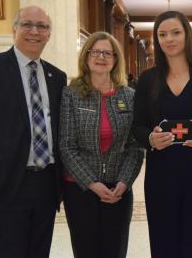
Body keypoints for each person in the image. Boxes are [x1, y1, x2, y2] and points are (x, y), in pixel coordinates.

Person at [0, 6, 67, 257]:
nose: (34, 31)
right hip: (3, 185)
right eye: (27, 25)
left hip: (46, 184)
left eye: (42, 26)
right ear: (14, 30)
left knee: (38, 252)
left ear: (49, 34)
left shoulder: (57, 76)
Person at [132, 10, 192, 258]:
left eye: (175, 32)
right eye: (162, 34)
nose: (169, 39)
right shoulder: (147, 79)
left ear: (187, 35)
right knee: (165, 241)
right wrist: (150, 139)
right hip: (161, 173)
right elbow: (138, 126)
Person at [59, 31, 144, 258]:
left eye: (108, 53)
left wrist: (124, 182)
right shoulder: (71, 95)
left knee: (115, 250)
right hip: (79, 188)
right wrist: (92, 184)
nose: (101, 57)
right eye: (95, 52)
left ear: (115, 59)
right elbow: (67, 146)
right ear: (86, 57)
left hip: (118, 189)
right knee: (86, 250)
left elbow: (135, 147)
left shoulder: (130, 97)